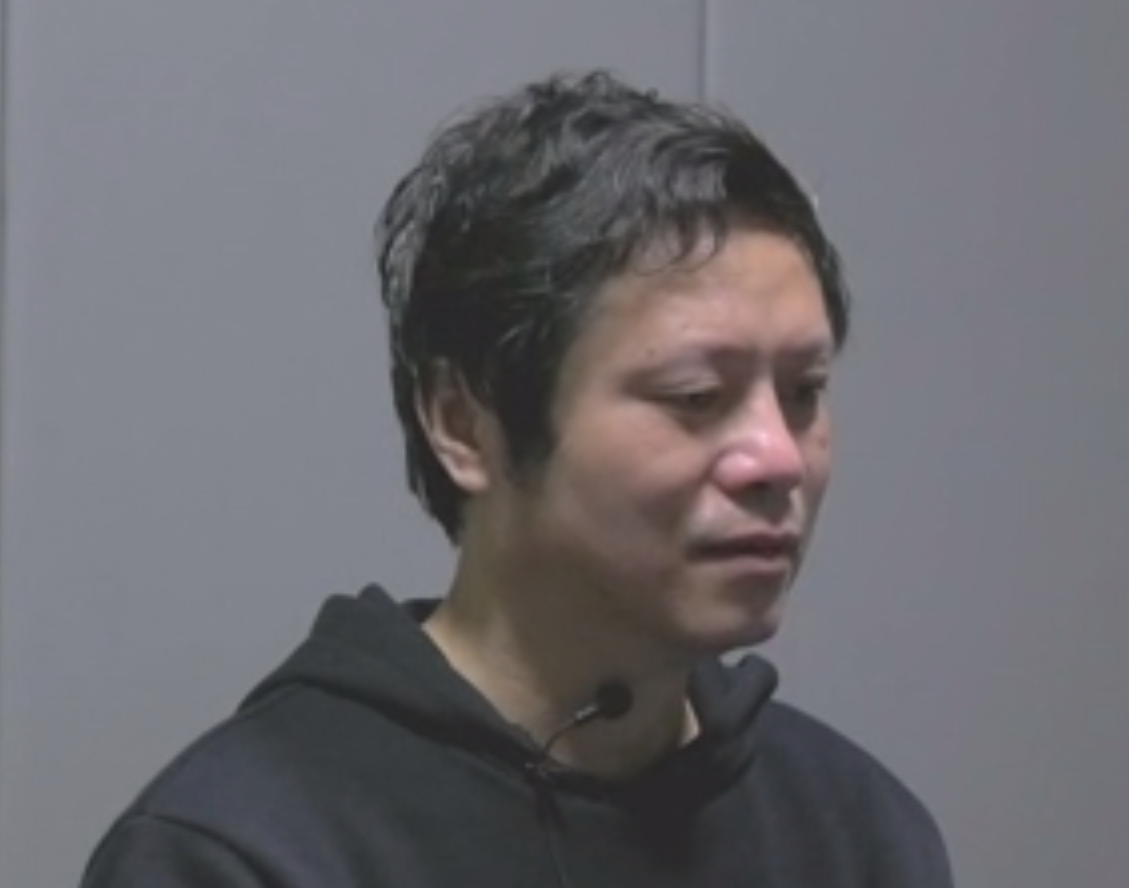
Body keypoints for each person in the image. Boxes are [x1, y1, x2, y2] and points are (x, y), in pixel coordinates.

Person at [80, 70, 954, 887]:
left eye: (804, 393)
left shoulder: (857, 832)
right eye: (694, 397)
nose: (778, 457)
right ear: (465, 424)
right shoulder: (244, 849)